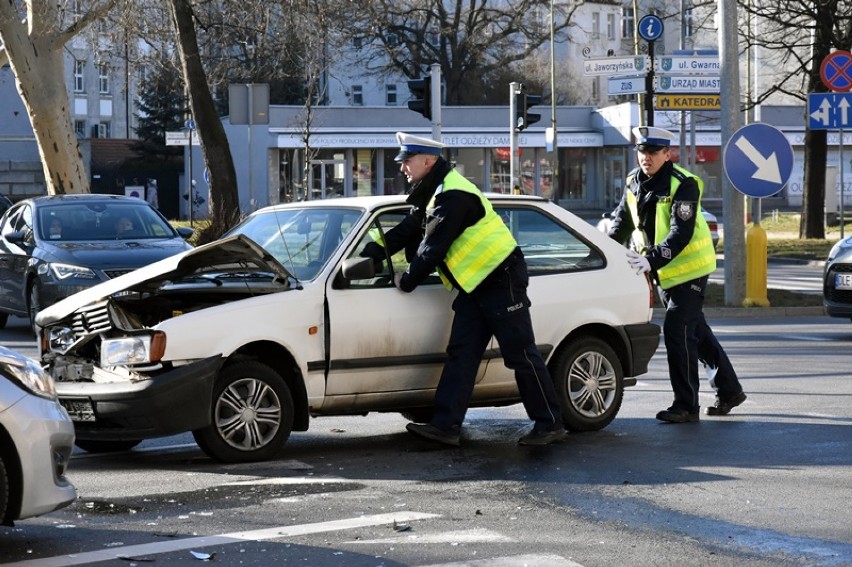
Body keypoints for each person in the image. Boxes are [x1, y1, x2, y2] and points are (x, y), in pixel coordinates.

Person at [362, 132, 567, 446]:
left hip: (501, 279)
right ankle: (445, 426)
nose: (403, 167)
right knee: (462, 354)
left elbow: (433, 248)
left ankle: (549, 424)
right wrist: (373, 252)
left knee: (520, 355)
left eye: (407, 160)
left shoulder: (453, 195)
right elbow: (408, 229)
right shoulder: (432, 191)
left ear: (428, 161)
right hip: (476, 286)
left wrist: (406, 280)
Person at [606, 126, 747, 423]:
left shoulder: (684, 183)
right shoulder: (633, 181)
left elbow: (680, 234)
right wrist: (605, 252)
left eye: (654, 152)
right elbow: (621, 224)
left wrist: (652, 260)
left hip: (689, 269)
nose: (647, 157)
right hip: (662, 272)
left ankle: (686, 405)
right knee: (697, 332)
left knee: (677, 331)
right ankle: (730, 390)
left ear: (667, 154)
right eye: (642, 151)